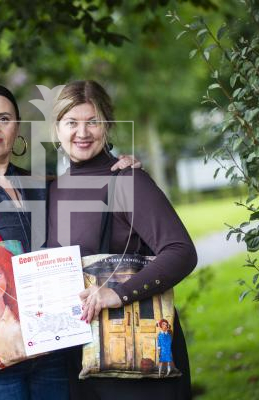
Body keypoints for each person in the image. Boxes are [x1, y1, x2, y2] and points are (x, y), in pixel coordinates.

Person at [0, 83, 138, 400]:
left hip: (53, 352)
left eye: (3, 118)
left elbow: (89, 196)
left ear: (16, 127)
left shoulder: (42, 185)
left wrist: (118, 168)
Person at [47, 80, 197, 400]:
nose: (82, 133)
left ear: (108, 126)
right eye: (71, 122)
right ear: (56, 128)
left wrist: (118, 293)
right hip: (79, 358)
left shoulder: (127, 181)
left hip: (136, 356)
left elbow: (181, 251)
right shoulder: (51, 191)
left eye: (93, 122)